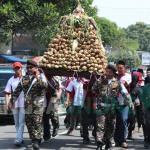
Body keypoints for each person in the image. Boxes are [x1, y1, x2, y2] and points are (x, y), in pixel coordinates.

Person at [92, 64, 134, 150]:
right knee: (100, 126)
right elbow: (93, 90)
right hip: (101, 108)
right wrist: (98, 82)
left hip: (112, 108)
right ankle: (100, 143)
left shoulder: (118, 82)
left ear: (114, 73)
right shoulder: (101, 81)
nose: (107, 73)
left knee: (110, 127)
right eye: (106, 71)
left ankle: (108, 144)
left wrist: (130, 103)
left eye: (110, 72)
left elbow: (125, 93)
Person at [9, 60, 47, 150]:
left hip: (38, 103)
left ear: (36, 68)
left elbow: (45, 86)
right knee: (30, 123)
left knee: (37, 122)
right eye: (28, 68)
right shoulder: (24, 78)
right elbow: (17, 91)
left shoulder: (41, 76)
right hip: (28, 103)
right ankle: (33, 140)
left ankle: (37, 141)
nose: (29, 69)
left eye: (31, 67)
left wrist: (37, 77)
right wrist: (11, 101)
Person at [4, 62, 25, 147]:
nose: (17, 69)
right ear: (13, 69)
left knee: (21, 121)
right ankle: (20, 137)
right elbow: (7, 93)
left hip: (24, 103)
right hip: (14, 103)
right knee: (16, 122)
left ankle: (18, 139)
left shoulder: (26, 78)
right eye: (15, 68)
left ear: (21, 68)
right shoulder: (11, 80)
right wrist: (7, 103)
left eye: (18, 68)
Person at [114, 60, 132, 148]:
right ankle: (117, 140)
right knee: (116, 121)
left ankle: (123, 140)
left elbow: (122, 84)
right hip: (114, 102)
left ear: (124, 68)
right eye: (118, 68)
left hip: (124, 102)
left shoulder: (127, 76)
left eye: (121, 68)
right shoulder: (115, 76)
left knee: (123, 120)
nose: (119, 69)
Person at [43, 75, 62, 142]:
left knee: (54, 116)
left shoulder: (55, 80)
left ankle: (56, 126)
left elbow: (60, 88)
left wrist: (59, 94)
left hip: (53, 99)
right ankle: (47, 135)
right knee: (45, 118)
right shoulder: (42, 78)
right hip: (44, 100)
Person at [81, 74, 97, 144]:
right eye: (92, 79)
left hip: (95, 105)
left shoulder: (100, 84)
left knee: (97, 123)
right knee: (85, 123)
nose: (93, 80)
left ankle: (96, 134)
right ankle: (85, 137)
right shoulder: (86, 84)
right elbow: (84, 93)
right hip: (86, 105)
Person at [127, 73, 142, 140]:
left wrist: (137, 100)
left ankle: (130, 133)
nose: (134, 82)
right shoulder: (128, 86)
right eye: (133, 81)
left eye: (136, 81)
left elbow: (141, 94)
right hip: (127, 104)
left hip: (136, 106)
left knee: (133, 120)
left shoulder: (138, 86)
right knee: (127, 119)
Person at [141, 76, 150, 148]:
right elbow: (142, 99)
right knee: (148, 123)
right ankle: (147, 140)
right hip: (148, 108)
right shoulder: (146, 87)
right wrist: (143, 108)